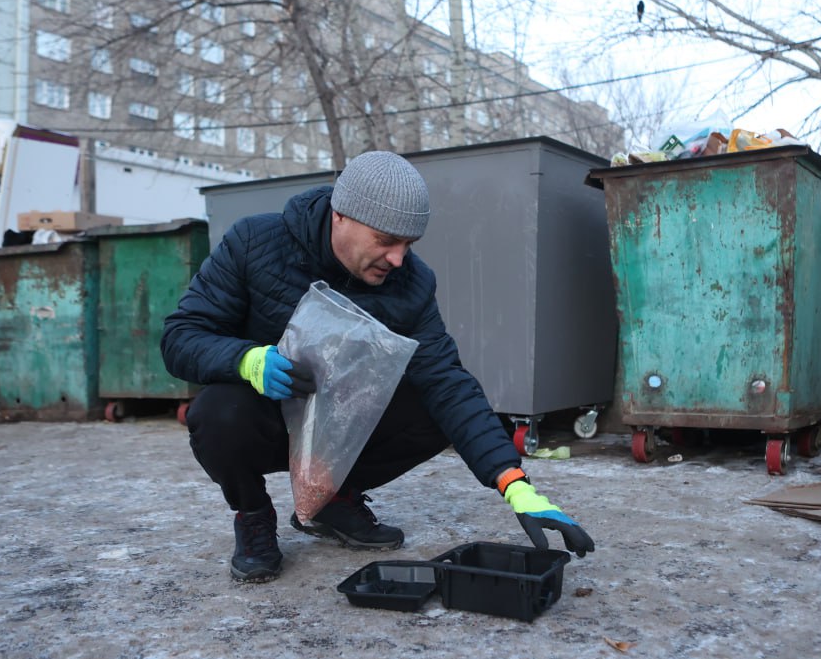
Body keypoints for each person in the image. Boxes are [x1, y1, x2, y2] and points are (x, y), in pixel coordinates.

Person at [161, 150, 595, 583]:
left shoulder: (411, 283)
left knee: (433, 408)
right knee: (216, 412)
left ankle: (331, 501)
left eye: (408, 244)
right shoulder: (255, 243)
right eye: (386, 240)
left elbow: (446, 381)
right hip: (266, 415)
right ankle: (253, 514)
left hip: (343, 423)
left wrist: (514, 482)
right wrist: (247, 361)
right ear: (341, 216)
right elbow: (181, 337)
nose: (397, 259)